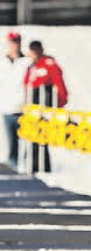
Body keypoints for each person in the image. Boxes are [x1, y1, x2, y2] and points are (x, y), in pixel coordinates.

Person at [23, 40, 69, 172]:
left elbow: (59, 84)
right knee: (32, 138)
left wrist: (60, 104)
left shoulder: (49, 64)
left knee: (42, 138)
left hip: (44, 106)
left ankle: (44, 168)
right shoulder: (31, 66)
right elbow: (27, 85)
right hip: (32, 107)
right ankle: (33, 167)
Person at [0, 31, 29, 169]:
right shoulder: (3, 63)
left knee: (28, 143)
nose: (14, 44)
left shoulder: (27, 62)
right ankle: (13, 168)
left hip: (24, 109)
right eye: (12, 41)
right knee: (11, 144)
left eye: (17, 41)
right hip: (7, 108)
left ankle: (27, 169)